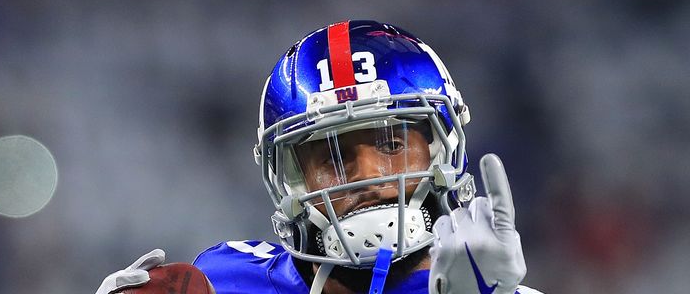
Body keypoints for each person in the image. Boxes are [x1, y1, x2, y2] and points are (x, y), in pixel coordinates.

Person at [97, 20, 542, 294]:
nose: (368, 176)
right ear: (293, 178)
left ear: (440, 150)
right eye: (333, 155)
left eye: (390, 145)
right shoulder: (220, 281)